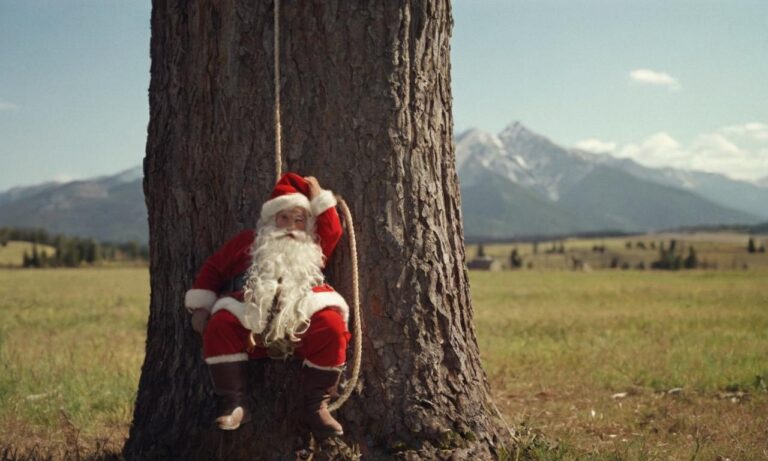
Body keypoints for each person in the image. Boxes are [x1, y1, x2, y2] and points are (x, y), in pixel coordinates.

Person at [184, 173, 350, 438]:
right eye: (283, 218)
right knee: (222, 323)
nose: (290, 226)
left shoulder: (314, 246)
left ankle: (316, 407)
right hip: (254, 324)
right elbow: (214, 268)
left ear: (307, 224)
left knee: (331, 325)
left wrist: (319, 196)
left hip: (302, 325)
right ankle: (234, 404)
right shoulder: (250, 242)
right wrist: (202, 305)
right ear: (271, 219)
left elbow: (333, 228)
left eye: (299, 220)